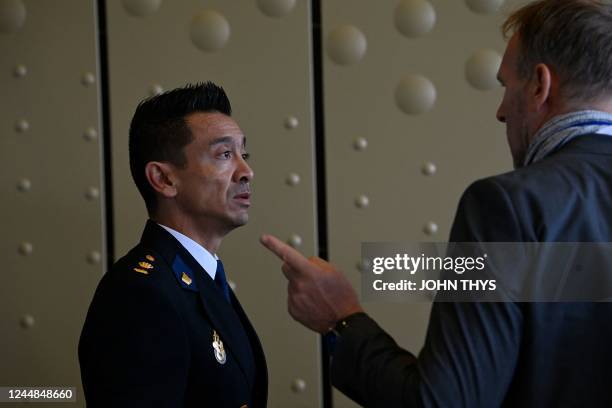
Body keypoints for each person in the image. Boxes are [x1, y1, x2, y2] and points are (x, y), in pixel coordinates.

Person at [261, 0, 612, 406]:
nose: (501, 112)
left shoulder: (511, 205)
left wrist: (342, 317)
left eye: (506, 86)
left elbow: (444, 402)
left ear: (539, 85)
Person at [79, 82, 267, 407]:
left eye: (244, 154)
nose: (246, 171)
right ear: (164, 179)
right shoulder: (140, 295)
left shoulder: (196, 279)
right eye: (224, 154)